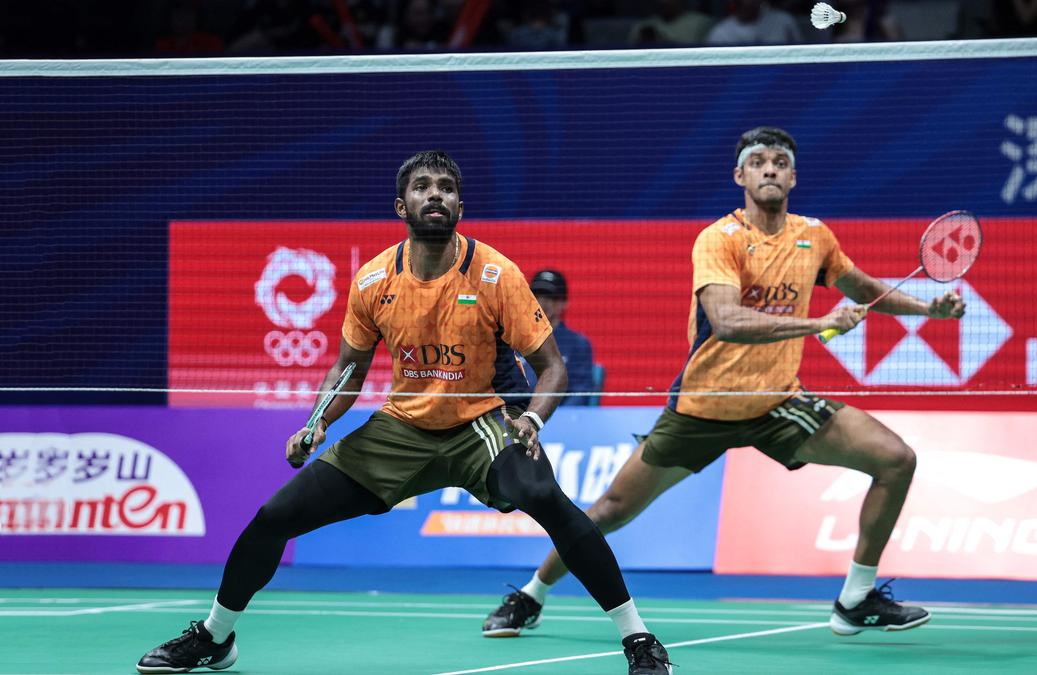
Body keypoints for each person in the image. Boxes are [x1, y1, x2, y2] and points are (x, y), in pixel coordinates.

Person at [136, 151, 672, 675]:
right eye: (422, 187)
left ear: (459, 206)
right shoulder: (374, 280)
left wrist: (531, 420)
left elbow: (552, 368)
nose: (435, 195)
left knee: (544, 497)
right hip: (400, 429)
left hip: (481, 422)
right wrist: (317, 423)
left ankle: (639, 638)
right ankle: (215, 637)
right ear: (401, 206)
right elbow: (348, 369)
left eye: (446, 187)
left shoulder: (495, 274)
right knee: (275, 518)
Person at [482, 127, 965, 640]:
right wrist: (820, 324)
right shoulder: (719, 239)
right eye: (758, 161)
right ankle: (530, 594)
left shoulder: (815, 236)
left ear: (793, 177)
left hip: (777, 402)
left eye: (780, 161)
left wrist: (926, 310)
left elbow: (861, 286)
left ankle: (856, 599)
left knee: (896, 459)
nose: (770, 168)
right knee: (611, 509)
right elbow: (729, 321)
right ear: (740, 175)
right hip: (703, 407)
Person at [526, 269, 596, 406]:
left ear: (564, 303)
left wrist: (545, 416)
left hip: (559, 416)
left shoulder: (578, 344)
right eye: (537, 296)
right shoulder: (513, 340)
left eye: (550, 297)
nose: (542, 303)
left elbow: (580, 394)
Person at [706, 0, 803, 46]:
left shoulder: (784, 21)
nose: (747, 4)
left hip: (780, 76)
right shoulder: (719, 34)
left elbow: (800, 55)